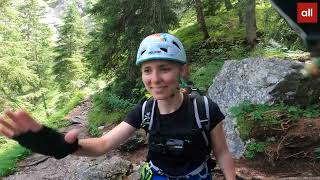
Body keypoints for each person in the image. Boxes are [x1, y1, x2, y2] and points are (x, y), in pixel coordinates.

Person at [0, 33, 235, 180]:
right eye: (147, 70)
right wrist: (60, 146)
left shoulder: (204, 109)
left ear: (182, 71)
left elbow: (222, 152)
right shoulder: (144, 111)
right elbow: (103, 145)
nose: (154, 79)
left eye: (164, 68)